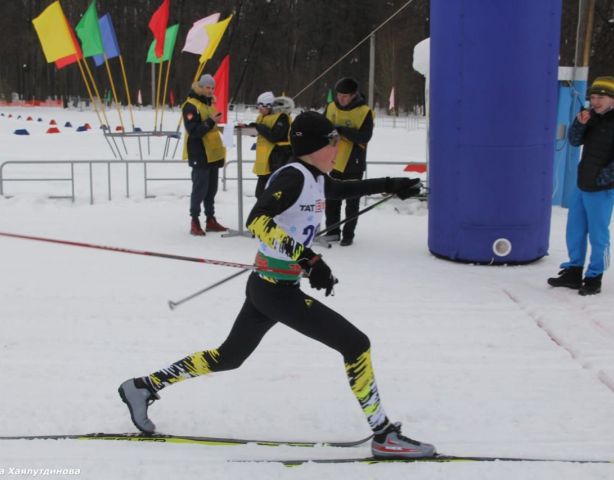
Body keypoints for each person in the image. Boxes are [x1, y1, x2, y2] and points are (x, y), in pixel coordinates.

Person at [119, 111, 436, 459]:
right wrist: (307, 259)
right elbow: (258, 220)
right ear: (315, 147)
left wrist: (391, 184)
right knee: (356, 345)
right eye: (332, 142)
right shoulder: (293, 177)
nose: (337, 148)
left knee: (228, 357)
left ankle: (143, 386)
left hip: (269, 286)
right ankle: (384, 435)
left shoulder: (314, 177)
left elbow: (344, 189)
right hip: (275, 292)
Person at [548, 76, 614, 295]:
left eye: (600, 98)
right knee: (575, 231)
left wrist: (600, 179)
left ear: (612, 99)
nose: (595, 102)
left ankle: (595, 275)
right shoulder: (593, 117)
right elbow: (574, 141)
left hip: (603, 189)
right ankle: (573, 270)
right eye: (593, 97)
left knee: (598, 234)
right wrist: (580, 123)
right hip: (582, 184)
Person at [323, 77, 375, 246]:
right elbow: (322, 128)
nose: (341, 99)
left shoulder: (364, 111)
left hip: (354, 162)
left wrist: (343, 130)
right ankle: (332, 232)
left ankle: (348, 234)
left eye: (345, 96)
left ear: (353, 95)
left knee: (352, 202)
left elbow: (365, 137)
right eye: (339, 95)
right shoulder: (331, 107)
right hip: (333, 160)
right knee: (332, 200)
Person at [182, 73, 229, 236]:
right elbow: (194, 131)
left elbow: (211, 127)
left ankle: (210, 219)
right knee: (200, 188)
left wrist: (222, 128)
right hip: (199, 153)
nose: (210, 90)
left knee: (211, 189)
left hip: (213, 153)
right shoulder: (190, 106)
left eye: (212, 88)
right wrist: (211, 121)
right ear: (200, 87)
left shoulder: (210, 104)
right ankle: (194, 220)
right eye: (207, 87)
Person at [250, 91, 292, 197]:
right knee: (260, 194)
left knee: (273, 195)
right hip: (264, 161)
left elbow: (275, 136)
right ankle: (263, 212)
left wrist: (259, 127)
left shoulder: (282, 118)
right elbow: (260, 131)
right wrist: (249, 128)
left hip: (277, 160)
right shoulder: (261, 116)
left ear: (268, 106)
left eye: (260, 106)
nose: (258, 109)